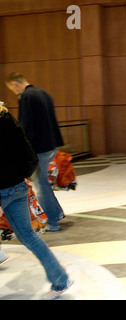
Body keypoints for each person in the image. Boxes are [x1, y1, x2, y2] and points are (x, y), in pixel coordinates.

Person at [0, 104, 73, 299]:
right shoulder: (8, 118)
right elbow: (27, 151)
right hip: (18, 186)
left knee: (27, 237)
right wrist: (22, 176)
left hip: (3, 189)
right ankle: (61, 279)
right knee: (28, 237)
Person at [5, 72, 65, 231]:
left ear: (15, 84)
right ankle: (57, 213)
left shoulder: (26, 97)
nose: (14, 91)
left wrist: (22, 151)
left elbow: (24, 127)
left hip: (39, 149)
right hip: (51, 145)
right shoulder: (43, 93)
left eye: (12, 88)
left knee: (40, 187)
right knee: (43, 184)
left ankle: (53, 222)